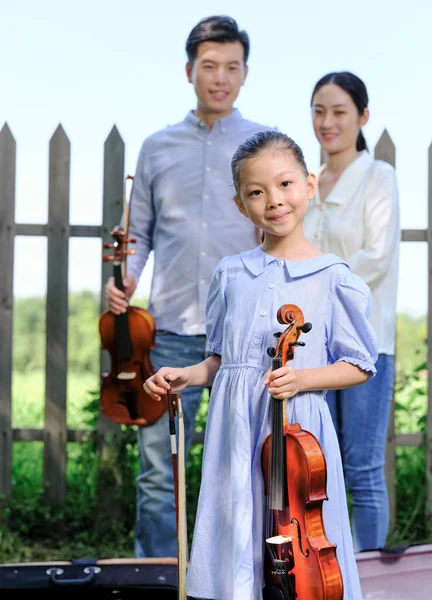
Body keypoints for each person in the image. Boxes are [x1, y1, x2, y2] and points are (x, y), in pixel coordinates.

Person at [144, 130, 378, 600]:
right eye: (256, 192)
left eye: (285, 184)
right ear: (239, 204)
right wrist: (187, 376)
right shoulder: (231, 274)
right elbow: (221, 359)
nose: (274, 200)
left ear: (309, 185)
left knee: (305, 540)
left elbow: (360, 364)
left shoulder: (334, 278)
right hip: (235, 428)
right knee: (237, 533)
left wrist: (304, 377)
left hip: (296, 434)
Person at [105, 15, 272, 558]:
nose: (219, 77)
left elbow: (275, 230)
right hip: (169, 333)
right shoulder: (157, 147)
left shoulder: (261, 145)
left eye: (231, 67)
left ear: (245, 73)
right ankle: (157, 575)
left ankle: (229, 578)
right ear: (189, 70)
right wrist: (125, 278)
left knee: (240, 472)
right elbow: (142, 234)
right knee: (159, 472)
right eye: (208, 67)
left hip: (240, 337)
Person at [304, 71, 400, 553]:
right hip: (311, 350)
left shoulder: (379, 177)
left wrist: (315, 292)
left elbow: (375, 259)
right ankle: (330, 573)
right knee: (320, 466)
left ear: (362, 116)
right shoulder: (307, 182)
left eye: (340, 111)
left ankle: (370, 580)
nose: (328, 121)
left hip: (365, 346)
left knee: (361, 468)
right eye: (319, 110)